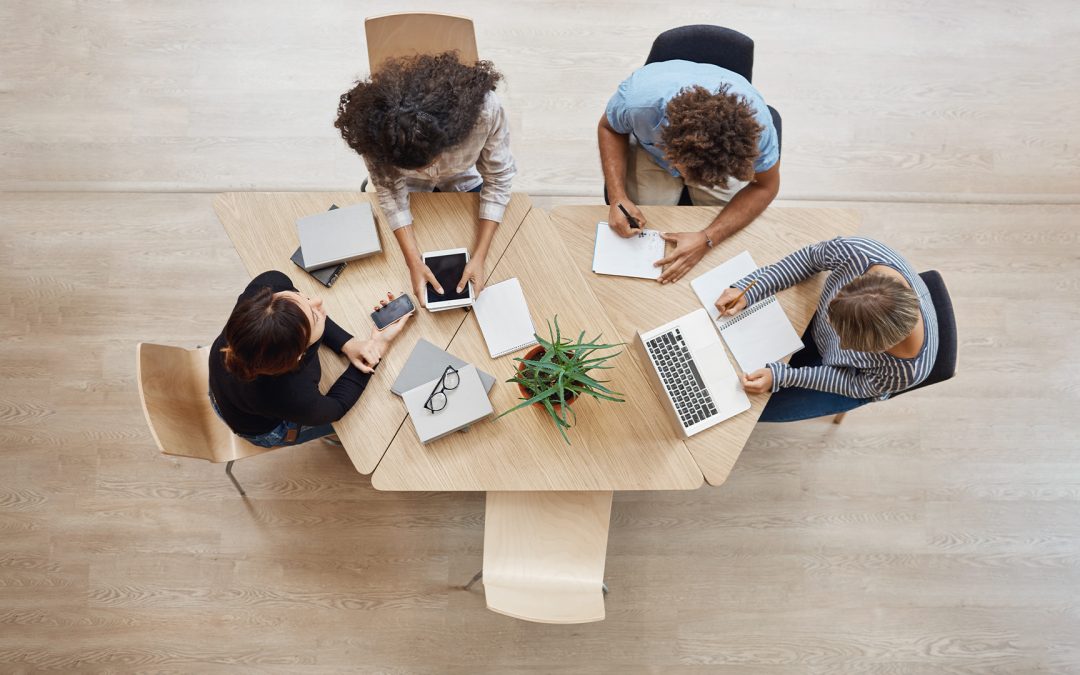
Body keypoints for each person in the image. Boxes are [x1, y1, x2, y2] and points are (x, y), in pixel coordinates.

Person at [335, 52, 516, 305]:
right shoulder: (377, 130)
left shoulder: (485, 111)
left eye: (426, 164)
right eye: (411, 168)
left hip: (462, 181)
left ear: (449, 137)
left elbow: (498, 179)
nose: (423, 173)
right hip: (409, 192)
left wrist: (480, 256)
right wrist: (412, 262)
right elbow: (390, 190)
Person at [713, 237, 938, 422]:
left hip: (850, 377)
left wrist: (784, 376)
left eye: (848, 342)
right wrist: (751, 289)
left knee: (747, 412)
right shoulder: (859, 253)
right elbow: (811, 258)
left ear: (884, 346)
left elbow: (856, 384)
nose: (842, 342)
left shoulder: (908, 371)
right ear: (854, 283)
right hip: (812, 323)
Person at [598, 60, 781, 284]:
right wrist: (618, 198)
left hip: (713, 161)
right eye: (684, 171)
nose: (684, 180)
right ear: (670, 143)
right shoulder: (638, 105)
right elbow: (608, 127)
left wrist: (707, 238)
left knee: (726, 237)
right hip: (653, 152)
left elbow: (766, 186)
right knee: (645, 222)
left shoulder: (757, 132)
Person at [208, 271, 411, 447]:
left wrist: (347, 344)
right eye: (314, 316)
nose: (317, 301)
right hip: (261, 428)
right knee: (355, 426)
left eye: (299, 297)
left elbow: (292, 309)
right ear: (298, 355)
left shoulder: (265, 290)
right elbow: (336, 408)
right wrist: (377, 348)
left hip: (225, 394)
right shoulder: (292, 395)